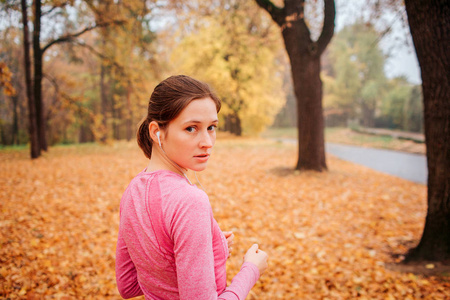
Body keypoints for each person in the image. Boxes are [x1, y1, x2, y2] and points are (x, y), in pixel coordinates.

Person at [115, 75, 269, 299]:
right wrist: (251, 270)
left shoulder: (132, 192)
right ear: (156, 132)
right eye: (191, 128)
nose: (207, 141)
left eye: (211, 127)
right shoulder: (190, 201)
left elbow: (129, 284)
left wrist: (212, 251)